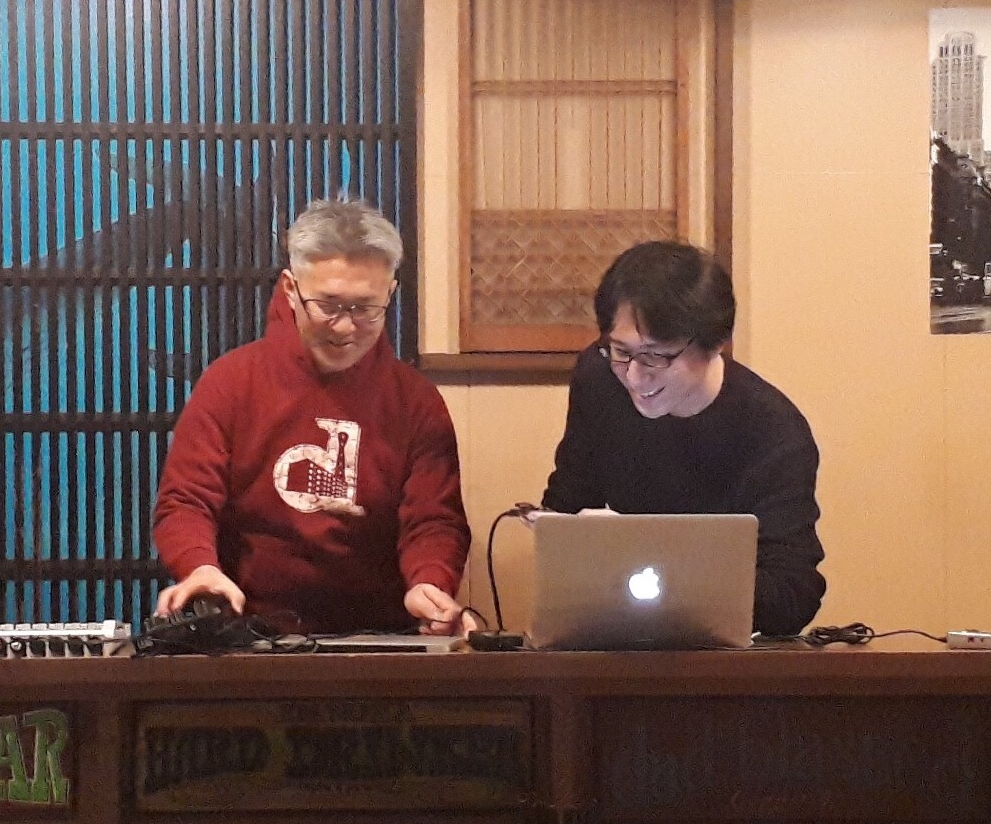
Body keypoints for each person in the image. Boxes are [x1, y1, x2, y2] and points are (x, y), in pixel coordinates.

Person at [152, 198, 474, 635]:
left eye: (365, 308)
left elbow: (434, 520)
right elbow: (187, 500)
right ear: (290, 288)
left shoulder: (415, 401)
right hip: (250, 631)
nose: (345, 327)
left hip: (382, 635)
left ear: (390, 293)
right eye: (329, 305)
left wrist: (430, 582)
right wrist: (199, 567)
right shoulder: (231, 383)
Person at [541, 240, 825, 636]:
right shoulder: (599, 379)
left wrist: (660, 564)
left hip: (722, 656)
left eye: (657, 355)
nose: (635, 376)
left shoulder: (774, 431)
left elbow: (793, 592)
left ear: (714, 343)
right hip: (614, 641)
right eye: (620, 350)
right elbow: (566, 507)